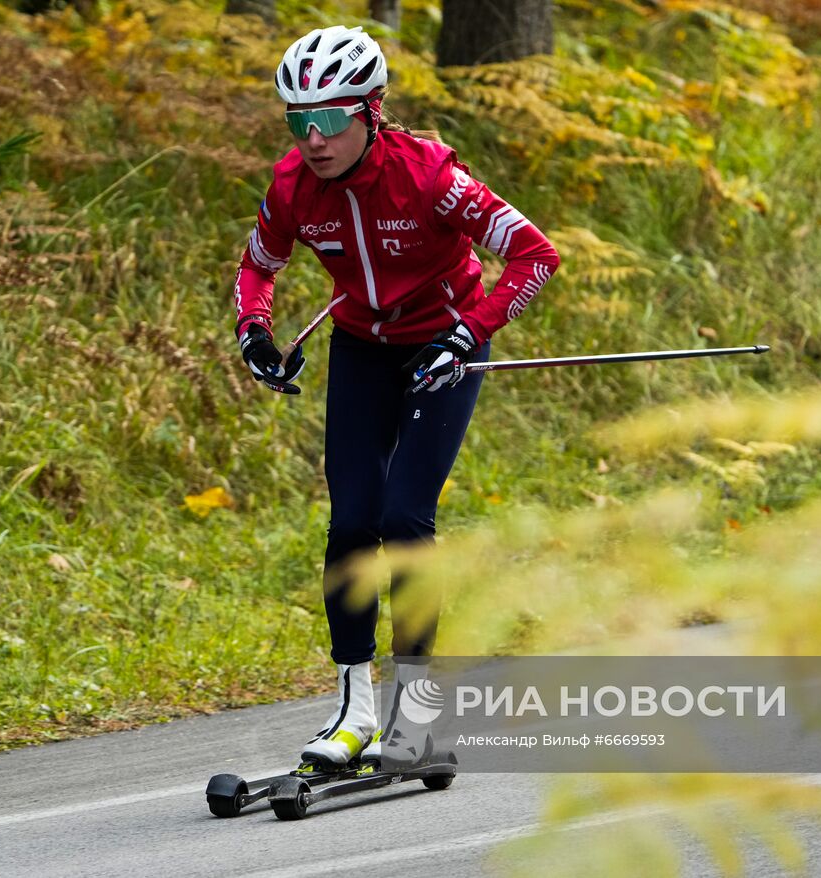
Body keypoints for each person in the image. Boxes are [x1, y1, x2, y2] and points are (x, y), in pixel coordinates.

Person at [232, 25, 559, 772]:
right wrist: (254, 332)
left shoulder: (432, 177)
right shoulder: (291, 186)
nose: (314, 138)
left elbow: (536, 254)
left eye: (330, 120)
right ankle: (353, 712)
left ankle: (416, 715)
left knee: (405, 518)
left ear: (371, 111)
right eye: (297, 120)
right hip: (361, 351)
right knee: (351, 526)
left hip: (444, 348)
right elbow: (258, 270)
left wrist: (468, 331)